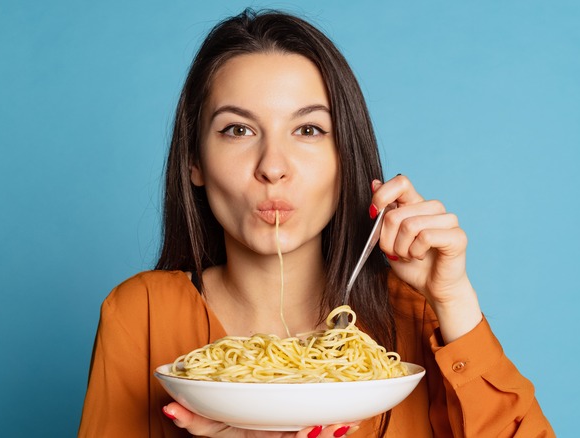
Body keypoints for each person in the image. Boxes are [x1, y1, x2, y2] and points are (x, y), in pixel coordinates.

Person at [78, 8, 554, 438]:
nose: (273, 165)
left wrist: (453, 300)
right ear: (194, 163)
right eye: (237, 130)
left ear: (346, 157)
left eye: (308, 130)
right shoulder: (139, 314)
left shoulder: (418, 316)